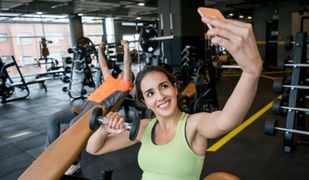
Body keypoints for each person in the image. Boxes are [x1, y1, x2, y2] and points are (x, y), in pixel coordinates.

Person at [86, 15, 263, 180]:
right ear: (145, 102)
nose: (160, 96)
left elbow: (227, 120)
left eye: (164, 86)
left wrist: (251, 73)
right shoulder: (144, 128)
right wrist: (104, 130)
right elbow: (94, 148)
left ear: (175, 88)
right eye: (150, 93)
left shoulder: (193, 126)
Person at [44, 40, 134, 175]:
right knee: (53, 119)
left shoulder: (125, 85)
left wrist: (126, 47)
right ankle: (49, 151)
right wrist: (99, 49)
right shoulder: (111, 80)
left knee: (74, 124)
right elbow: (103, 65)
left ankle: (74, 161)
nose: (122, 72)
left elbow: (127, 64)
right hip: (84, 104)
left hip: (96, 108)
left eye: (126, 73)